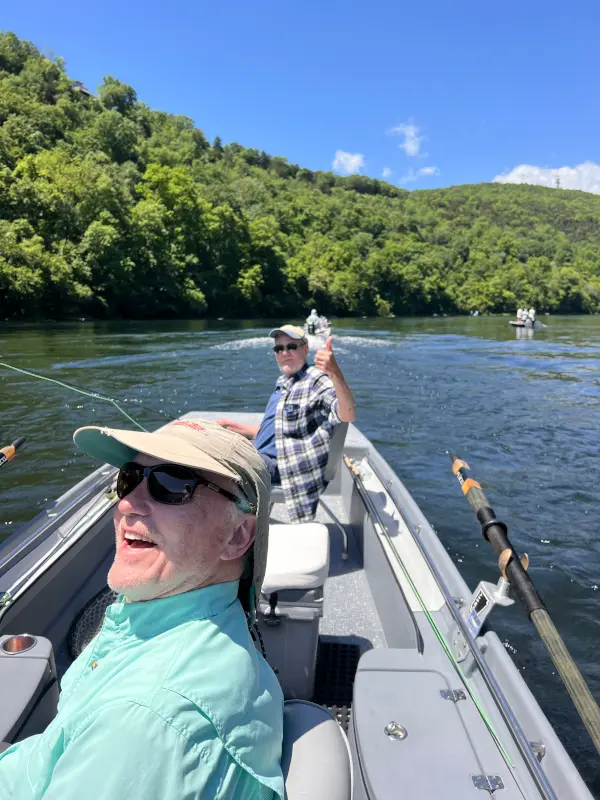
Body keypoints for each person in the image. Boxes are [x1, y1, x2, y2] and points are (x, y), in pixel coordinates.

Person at [0, 419, 284, 800]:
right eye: (129, 478)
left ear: (237, 536)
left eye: (173, 485)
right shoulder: (173, 622)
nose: (128, 503)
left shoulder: (145, 719)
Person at [218, 324, 355, 523]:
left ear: (305, 349)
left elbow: (347, 414)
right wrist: (229, 427)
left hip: (283, 466)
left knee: (212, 461)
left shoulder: (316, 380)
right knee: (208, 442)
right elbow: (280, 431)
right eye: (279, 348)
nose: (284, 353)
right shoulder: (284, 382)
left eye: (291, 346)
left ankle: (229, 525)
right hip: (263, 455)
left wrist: (335, 374)